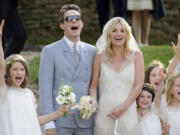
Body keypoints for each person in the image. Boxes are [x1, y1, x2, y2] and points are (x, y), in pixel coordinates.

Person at [0, 20, 75, 135]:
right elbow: (1, 65)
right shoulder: (3, 90)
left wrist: (58, 113)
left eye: (22, 69)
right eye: (15, 69)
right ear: (8, 73)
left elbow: (35, 121)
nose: (19, 72)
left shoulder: (29, 94)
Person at [39, 4, 96, 135]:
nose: (74, 21)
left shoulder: (92, 51)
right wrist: (49, 123)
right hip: (60, 121)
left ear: (82, 23)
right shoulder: (50, 51)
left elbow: (95, 86)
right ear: (62, 25)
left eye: (77, 18)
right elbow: (45, 89)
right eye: (69, 19)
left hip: (85, 121)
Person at [89, 17, 144, 135]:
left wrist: (122, 108)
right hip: (104, 112)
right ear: (108, 34)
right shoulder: (100, 56)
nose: (118, 34)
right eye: (114, 30)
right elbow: (93, 86)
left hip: (128, 111)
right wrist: (93, 100)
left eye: (122, 30)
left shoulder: (137, 55)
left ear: (127, 34)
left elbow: (138, 86)